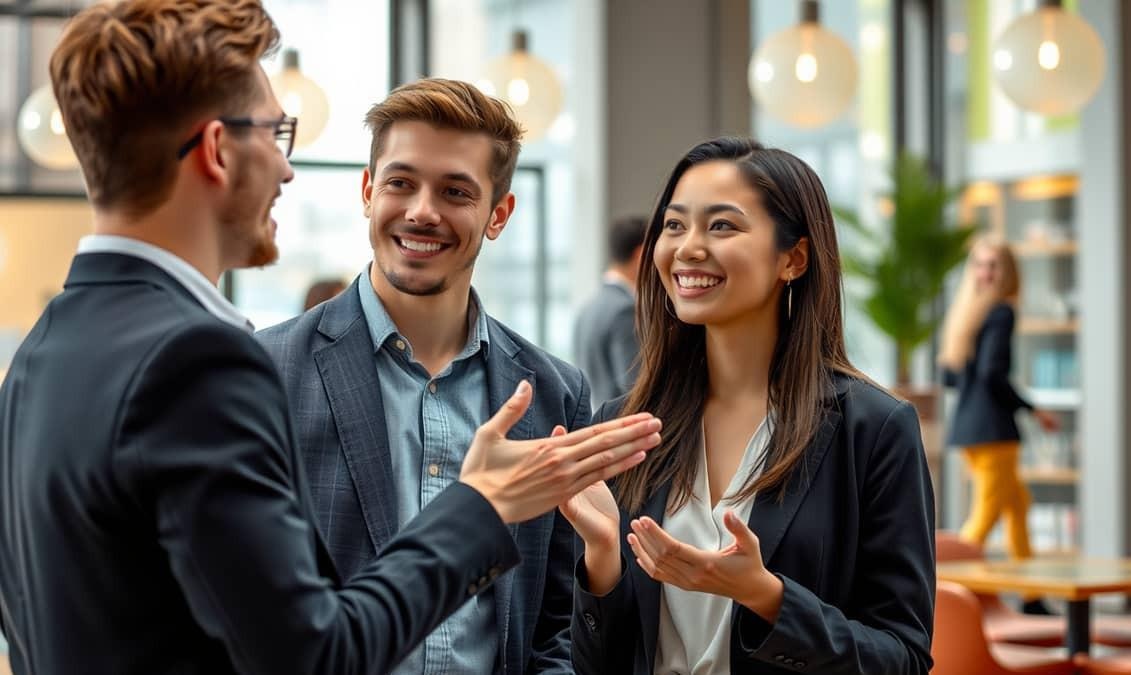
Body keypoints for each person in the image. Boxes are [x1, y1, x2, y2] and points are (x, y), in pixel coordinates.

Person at [0, 2, 661, 674]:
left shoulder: (41, 351)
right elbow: (310, 653)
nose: (287, 171)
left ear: (498, 214)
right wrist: (480, 506)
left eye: (456, 190)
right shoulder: (206, 362)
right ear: (218, 151)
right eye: (275, 132)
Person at [562, 137, 935, 675]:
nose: (688, 247)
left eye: (722, 226)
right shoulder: (625, 428)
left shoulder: (873, 430)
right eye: (674, 225)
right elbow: (598, 666)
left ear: (793, 258)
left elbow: (903, 659)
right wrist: (602, 559)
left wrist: (767, 596)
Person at [257, 79, 589, 674]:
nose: (422, 211)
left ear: (498, 214)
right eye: (400, 183)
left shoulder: (554, 394)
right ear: (367, 191)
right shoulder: (269, 372)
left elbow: (556, 625)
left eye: (456, 191)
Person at [939, 236, 1059, 595]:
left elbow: (951, 377)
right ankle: (945, 591)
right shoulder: (1002, 312)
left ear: (1007, 272)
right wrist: (1033, 409)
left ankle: (1032, 595)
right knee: (984, 518)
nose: (987, 273)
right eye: (981, 265)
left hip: (969, 430)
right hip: (993, 432)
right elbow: (993, 374)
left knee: (1017, 505)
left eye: (994, 265)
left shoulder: (966, 314)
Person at [573, 215, 646, 408]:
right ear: (641, 255)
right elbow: (634, 385)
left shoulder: (588, 308)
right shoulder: (625, 310)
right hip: (622, 428)